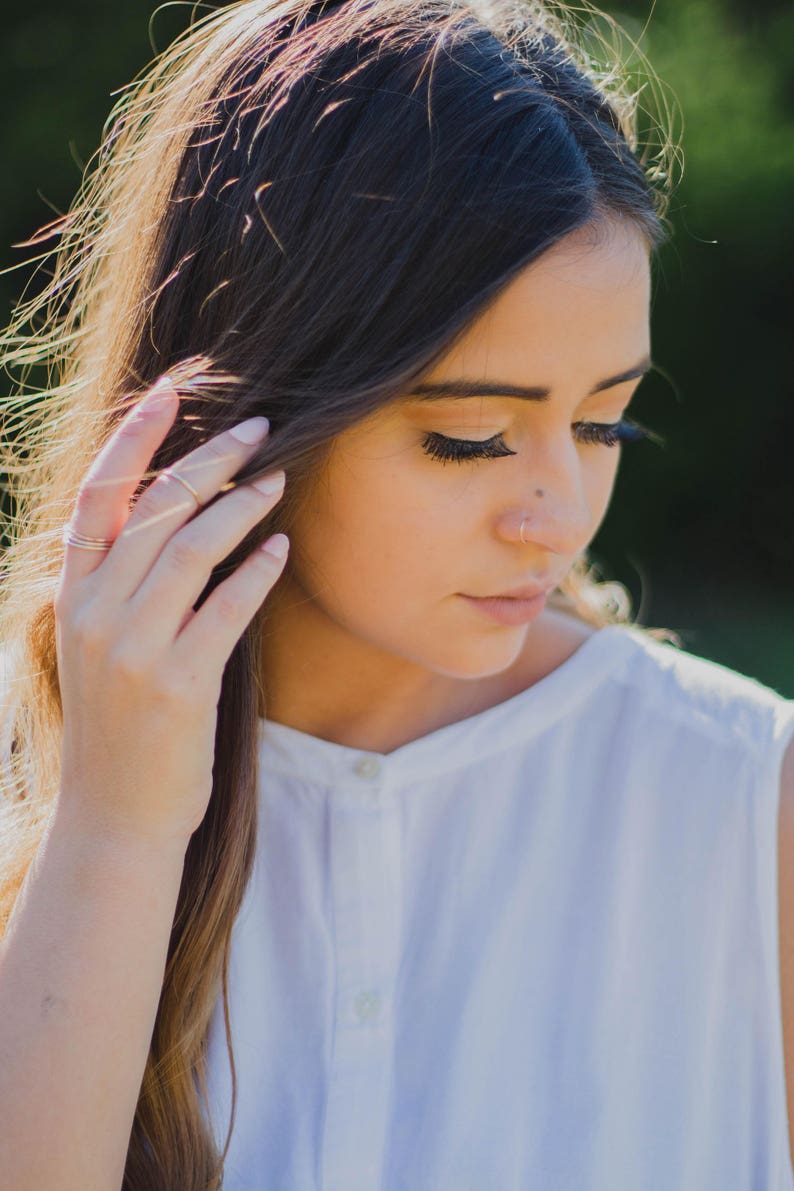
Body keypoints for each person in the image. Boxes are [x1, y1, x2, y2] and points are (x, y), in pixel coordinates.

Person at [0, 0, 792, 1187]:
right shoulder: (35, 775)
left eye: (601, 422)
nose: (559, 513)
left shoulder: (746, 804)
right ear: (239, 420)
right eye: (471, 436)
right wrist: (113, 832)